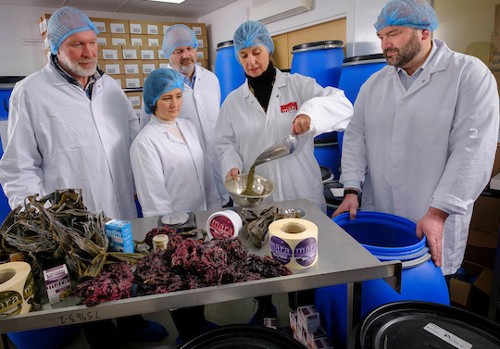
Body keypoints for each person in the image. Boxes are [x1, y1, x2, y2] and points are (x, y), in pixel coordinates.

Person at [0, 6, 167, 348]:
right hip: (73, 222)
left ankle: (133, 324)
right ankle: (107, 341)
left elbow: (133, 139)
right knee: (92, 286)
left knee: (128, 269)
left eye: (92, 43)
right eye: (77, 45)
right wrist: (40, 225)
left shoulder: (111, 87)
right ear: (55, 48)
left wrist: (142, 187)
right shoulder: (30, 93)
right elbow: (19, 166)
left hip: (121, 203)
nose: (89, 52)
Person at [334, 0, 499, 283]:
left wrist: (438, 213)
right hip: (381, 215)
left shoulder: (468, 74)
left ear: (424, 32)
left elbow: (473, 152)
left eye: (394, 33)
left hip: (434, 219)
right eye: (381, 36)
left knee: (424, 303)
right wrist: (351, 189)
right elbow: (355, 138)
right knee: (380, 298)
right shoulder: (374, 85)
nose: (385, 44)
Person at [215, 20, 353, 324]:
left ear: (268, 49)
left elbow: (342, 105)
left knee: (302, 260)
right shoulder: (233, 101)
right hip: (257, 195)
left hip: (299, 189)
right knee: (259, 255)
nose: (251, 61)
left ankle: (302, 313)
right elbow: (224, 142)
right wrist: (231, 165)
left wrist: (309, 112)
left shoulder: (299, 85)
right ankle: (265, 309)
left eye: (256, 52)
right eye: (243, 56)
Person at [131, 67, 219, 344]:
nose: (175, 104)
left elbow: (204, 174)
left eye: (179, 96)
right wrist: (170, 239)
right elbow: (154, 200)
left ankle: (200, 322)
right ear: (152, 102)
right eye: (167, 98)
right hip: (173, 229)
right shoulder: (145, 144)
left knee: (198, 278)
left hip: (199, 219)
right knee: (179, 279)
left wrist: (212, 211)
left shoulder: (189, 127)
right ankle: (188, 333)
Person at [140, 24, 230, 207]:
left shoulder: (211, 79)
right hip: (181, 171)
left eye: (190, 48)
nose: (186, 55)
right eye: (178, 50)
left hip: (217, 163)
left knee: (222, 213)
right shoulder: (159, 84)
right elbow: (146, 127)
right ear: (167, 53)